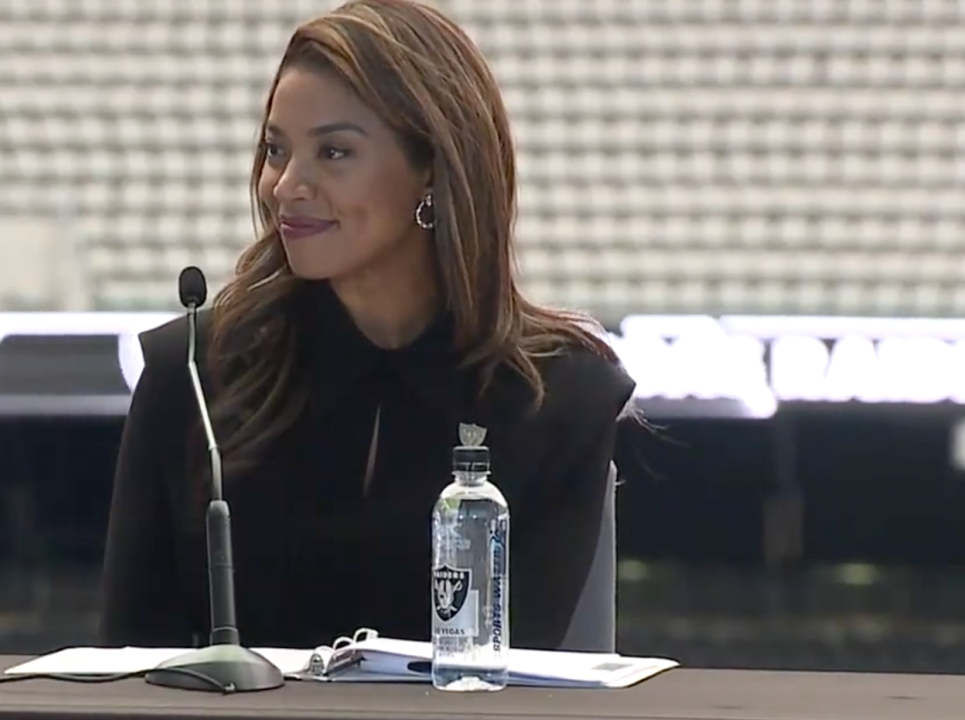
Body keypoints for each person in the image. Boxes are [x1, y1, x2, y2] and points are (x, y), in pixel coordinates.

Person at [99, 0, 637, 651]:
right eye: (276, 150)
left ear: (432, 169)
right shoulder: (188, 372)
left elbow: (526, 675)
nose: (285, 186)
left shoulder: (564, 395)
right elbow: (126, 657)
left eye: (333, 152)